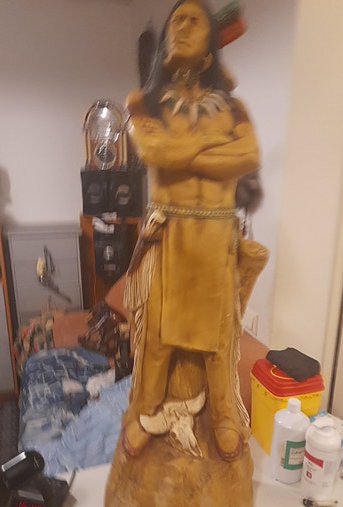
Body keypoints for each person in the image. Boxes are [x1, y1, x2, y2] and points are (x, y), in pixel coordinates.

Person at [121, 0, 261, 462]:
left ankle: (224, 415)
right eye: (175, 20)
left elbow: (248, 156)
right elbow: (155, 151)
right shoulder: (142, 101)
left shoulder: (234, 107)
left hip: (217, 238)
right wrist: (213, 142)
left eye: (193, 19)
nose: (181, 25)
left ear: (210, 47)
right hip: (169, 236)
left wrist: (183, 148)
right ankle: (145, 410)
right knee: (158, 337)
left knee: (219, 338)